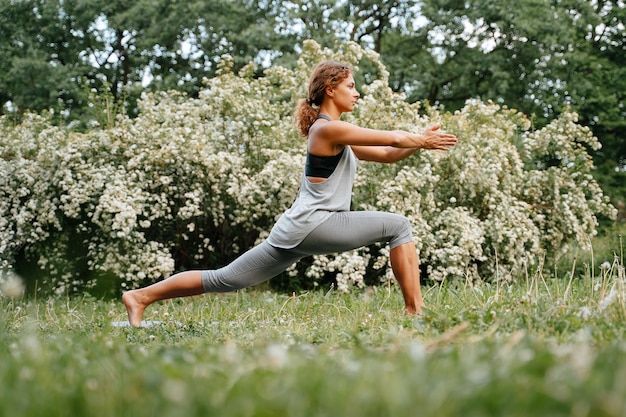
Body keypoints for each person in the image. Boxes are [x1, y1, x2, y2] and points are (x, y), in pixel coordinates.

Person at [123, 60, 457, 326]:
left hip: (298, 229)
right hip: (317, 223)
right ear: (331, 89)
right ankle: (415, 312)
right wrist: (419, 139)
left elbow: (388, 154)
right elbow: (394, 139)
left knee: (225, 279)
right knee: (399, 226)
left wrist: (421, 143)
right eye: (351, 86)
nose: (357, 94)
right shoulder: (327, 129)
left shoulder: (339, 134)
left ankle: (139, 297)